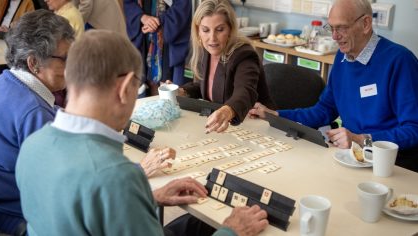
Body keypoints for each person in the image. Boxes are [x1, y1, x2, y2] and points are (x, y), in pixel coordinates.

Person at [15, 29, 269, 235]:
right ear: (125, 87)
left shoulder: (33, 145)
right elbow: (105, 188)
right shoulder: (116, 176)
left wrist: (147, 196)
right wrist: (233, 232)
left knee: (198, 224)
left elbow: (82, 209)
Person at [249, 0, 418, 172]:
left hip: (392, 165)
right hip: (352, 157)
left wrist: (361, 140)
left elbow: (414, 129)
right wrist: (275, 115)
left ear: (365, 24)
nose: (335, 36)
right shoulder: (343, 57)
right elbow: (324, 111)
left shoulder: (400, 61)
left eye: (341, 28)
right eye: (331, 28)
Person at [0, 9, 75, 234]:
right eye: (65, 58)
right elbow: (70, 186)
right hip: (19, 218)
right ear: (34, 63)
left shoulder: (3, 83)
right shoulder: (33, 112)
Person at [181, 0, 275, 134]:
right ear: (198, 32)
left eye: (219, 30)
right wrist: (183, 91)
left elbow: (245, 92)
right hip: (223, 128)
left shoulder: (244, 54)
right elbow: (207, 86)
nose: (212, 38)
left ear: (230, 30)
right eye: (206, 30)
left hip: (255, 126)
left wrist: (228, 110)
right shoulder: (206, 51)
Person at [124, 0, 192, 91]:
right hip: (144, 32)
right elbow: (128, 3)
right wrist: (142, 17)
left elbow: (182, 6)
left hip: (170, 32)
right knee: (146, 83)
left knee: (170, 86)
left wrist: (160, 21)